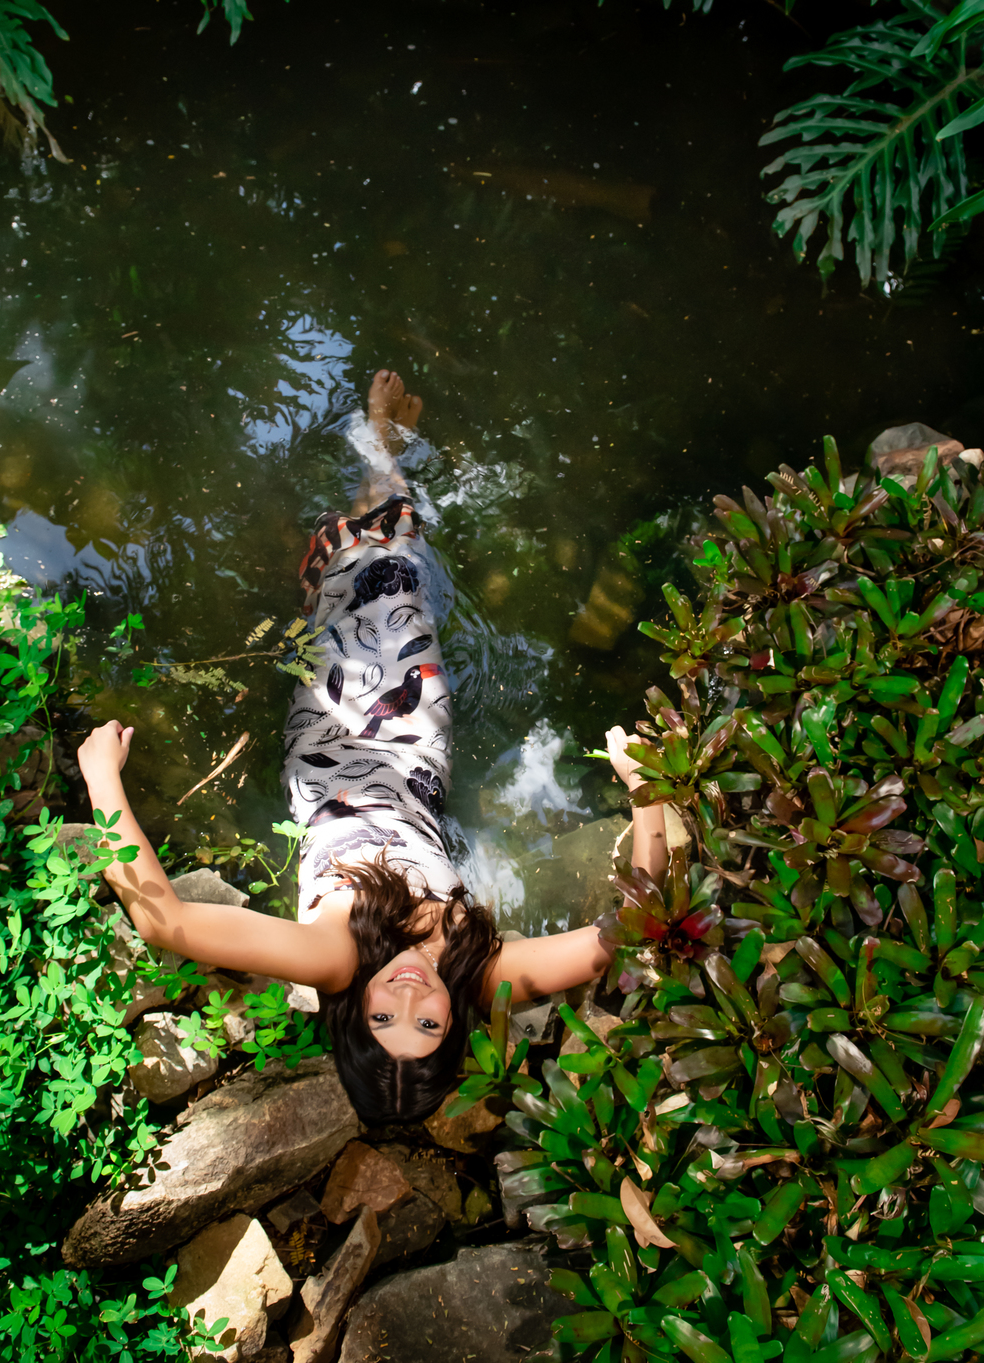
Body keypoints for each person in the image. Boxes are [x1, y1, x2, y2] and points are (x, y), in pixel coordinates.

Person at [77, 370, 669, 1123]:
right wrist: (646, 792)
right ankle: (381, 467)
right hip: (415, 747)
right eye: (428, 1026)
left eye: (383, 1019)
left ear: (355, 1017)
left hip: (328, 743)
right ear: (455, 1029)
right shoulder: (482, 972)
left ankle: (378, 459)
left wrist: (102, 778)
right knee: (396, 578)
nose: (409, 998)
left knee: (351, 587)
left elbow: (164, 922)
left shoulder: (333, 959)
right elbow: (629, 930)